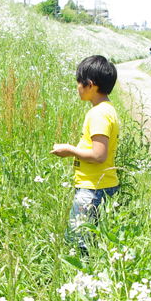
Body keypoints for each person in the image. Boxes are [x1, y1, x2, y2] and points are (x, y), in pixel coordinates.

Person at [52, 55, 120, 255]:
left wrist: (69, 150)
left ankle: (80, 280)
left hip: (93, 189)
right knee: (92, 242)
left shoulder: (98, 113)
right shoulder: (108, 109)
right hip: (100, 185)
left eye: (79, 83)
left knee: (78, 243)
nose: (77, 88)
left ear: (90, 85)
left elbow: (99, 155)